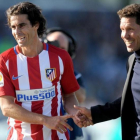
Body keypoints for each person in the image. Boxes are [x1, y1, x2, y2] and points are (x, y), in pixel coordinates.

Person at [0, 2, 86, 140]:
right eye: (13, 27)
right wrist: (45, 120)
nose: (16, 32)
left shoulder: (61, 56)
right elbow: (7, 107)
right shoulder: (4, 60)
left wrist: (76, 114)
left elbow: (70, 96)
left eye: (22, 25)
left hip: (57, 136)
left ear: (36, 25)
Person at [74, 3, 140, 140]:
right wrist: (94, 114)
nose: (124, 35)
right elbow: (130, 101)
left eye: (130, 29)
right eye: (122, 29)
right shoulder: (132, 61)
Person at [44, 27, 86, 140]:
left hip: (69, 133)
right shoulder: (34, 71)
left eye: (62, 49)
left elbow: (81, 97)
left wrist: (63, 75)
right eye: (54, 47)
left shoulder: (73, 74)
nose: (57, 52)